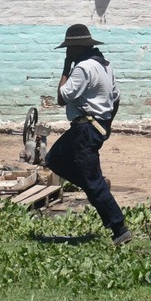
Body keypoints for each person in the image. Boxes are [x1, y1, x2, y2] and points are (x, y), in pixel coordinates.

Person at [45, 23, 131, 246]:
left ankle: (118, 228)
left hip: (85, 129)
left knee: (92, 180)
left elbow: (62, 96)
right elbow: (116, 98)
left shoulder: (82, 68)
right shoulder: (104, 65)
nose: (67, 52)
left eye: (68, 49)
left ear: (76, 48)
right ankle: (94, 186)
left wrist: (66, 67)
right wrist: (107, 125)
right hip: (94, 127)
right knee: (54, 159)